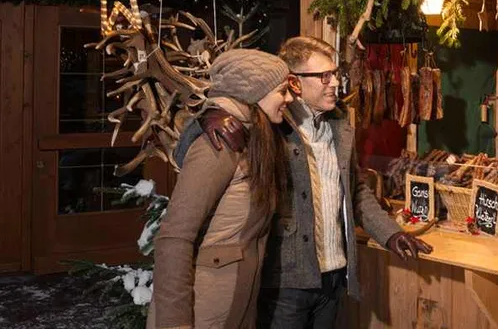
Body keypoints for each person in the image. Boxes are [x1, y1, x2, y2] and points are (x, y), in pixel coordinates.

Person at [256, 36, 433, 328]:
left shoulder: (338, 126)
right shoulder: (270, 127)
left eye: (335, 74)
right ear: (295, 82)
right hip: (286, 282)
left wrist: (391, 233)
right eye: (324, 76)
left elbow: (357, 191)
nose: (335, 83)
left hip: (335, 275)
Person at [148, 49, 294, 329]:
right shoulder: (218, 144)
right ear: (253, 93)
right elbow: (173, 237)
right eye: (283, 91)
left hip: (237, 303)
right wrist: (174, 323)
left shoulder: (256, 137)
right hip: (204, 309)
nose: (289, 99)